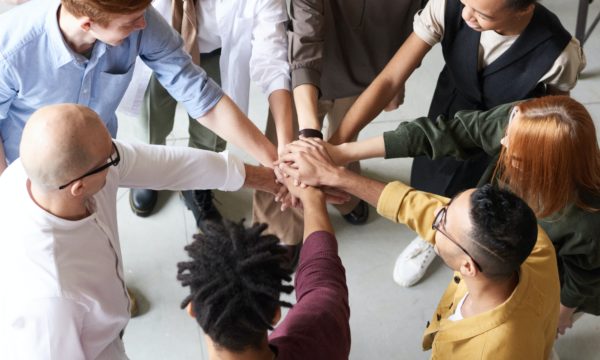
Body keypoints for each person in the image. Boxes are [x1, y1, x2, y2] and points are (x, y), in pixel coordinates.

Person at [327, 0, 586, 287]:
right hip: (449, 113)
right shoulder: (448, 6)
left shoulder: (558, 53)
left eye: (482, 14)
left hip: (504, 139)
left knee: (482, 203)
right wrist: (336, 145)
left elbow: (552, 120)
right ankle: (433, 236)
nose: (465, 15)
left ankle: (464, 245)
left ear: (524, 9)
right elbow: (389, 79)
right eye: (464, 3)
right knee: (433, 177)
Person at [0, 104, 281, 359]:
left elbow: (169, 165)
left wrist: (268, 179)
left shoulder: (60, 171)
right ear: (79, 187)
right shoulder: (51, 300)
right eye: (110, 158)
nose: (117, 157)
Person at [317, 95, 600, 338]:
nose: (502, 140)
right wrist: (341, 154)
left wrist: (562, 311)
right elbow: (448, 133)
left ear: (545, 167)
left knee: (537, 331)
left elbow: (583, 277)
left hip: (548, 284)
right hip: (495, 254)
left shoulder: (586, 219)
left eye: (516, 151)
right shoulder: (523, 120)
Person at [277, 141, 560, 358]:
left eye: (442, 221)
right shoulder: (533, 245)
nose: (434, 214)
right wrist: (337, 176)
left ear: (468, 266)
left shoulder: (488, 351)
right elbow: (419, 207)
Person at [0, 0, 277, 180]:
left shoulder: (140, 19)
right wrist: (7, 196)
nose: (143, 24)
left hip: (101, 161)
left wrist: (273, 160)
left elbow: (197, 90)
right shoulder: (11, 49)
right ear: (88, 24)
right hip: (25, 172)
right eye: (131, 22)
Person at [251, 0, 423, 248]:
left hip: (372, 73)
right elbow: (305, 41)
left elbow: (420, 25)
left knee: (344, 143)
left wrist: (400, 76)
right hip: (306, 75)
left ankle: (345, 196)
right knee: (288, 148)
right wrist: (310, 138)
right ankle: (280, 230)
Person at [125, 0, 293, 224]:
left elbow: (273, 60)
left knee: (211, 138)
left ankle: (198, 185)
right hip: (151, 45)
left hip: (214, 51)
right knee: (151, 123)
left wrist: (283, 151)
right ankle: (147, 175)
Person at [177, 168, 351, 359]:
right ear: (276, 313)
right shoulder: (324, 321)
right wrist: (312, 199)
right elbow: (322, 276)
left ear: (192, 309)